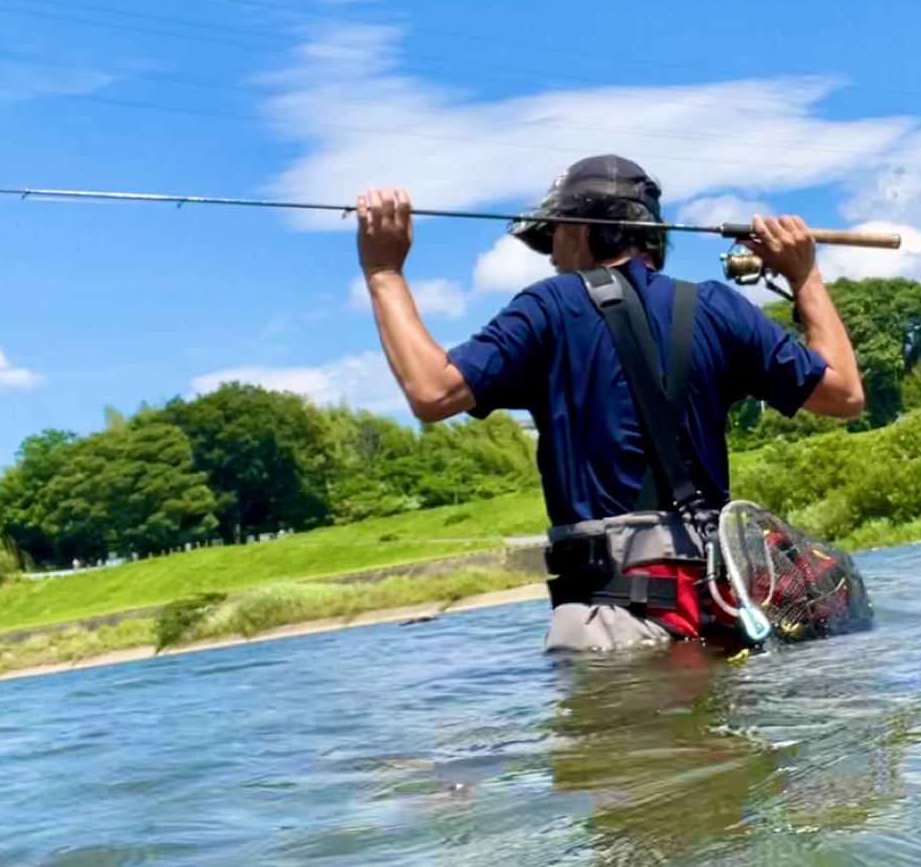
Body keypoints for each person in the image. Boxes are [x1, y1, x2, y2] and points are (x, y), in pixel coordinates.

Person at [356, 155, 864, 653]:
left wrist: (384, 270)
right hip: (718, 612)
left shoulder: (550, 307)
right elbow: (844, 395)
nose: (552, 256)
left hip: (610, 621)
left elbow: (431, 391)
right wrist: (804, 276)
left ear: (582, 230)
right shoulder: (716, 308)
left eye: (552, 235)